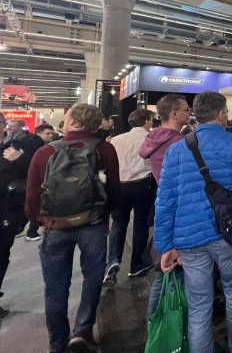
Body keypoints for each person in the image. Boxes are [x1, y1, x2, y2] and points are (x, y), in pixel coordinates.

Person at [155, 91, 232, 353]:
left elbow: (165, 202)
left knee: (199, 304)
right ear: (222, 114)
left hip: (188, 239)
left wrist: (165, 245)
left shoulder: (175, 150)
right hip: (226, 235)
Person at [25, 104, 121, 353]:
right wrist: (102, 213)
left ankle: (57, 343)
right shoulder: (104, 149)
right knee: (93, 278)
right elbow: (114, 190)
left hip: (54, 227)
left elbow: (32, 197)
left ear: (70, 121)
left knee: (55, 287)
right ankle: (82, 331)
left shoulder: (45, 152)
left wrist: (41, 220)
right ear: (96, 124)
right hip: (93, 225)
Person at [139, 94, 189, 316]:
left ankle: (156, 319)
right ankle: (170, 321)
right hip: (179, 210)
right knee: (173, 271)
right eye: (186, 110)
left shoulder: (153, 138)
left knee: (163, 271)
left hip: (163, 204)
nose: (190, 113)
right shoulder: (179, 143)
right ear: (174, 114)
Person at [104, 109, 154, 286]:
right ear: (146, 121)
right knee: (141, 223)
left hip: (120, 185)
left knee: (118, 224)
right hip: (143, 185)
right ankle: (137, 264)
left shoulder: (117, 139)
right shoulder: (150, 139)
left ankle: (113, 260)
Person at [0, 129, 43, 318]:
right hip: (7, 214)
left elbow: (34, 175)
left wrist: (19, 160)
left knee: (2, 255)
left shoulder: (15, 149)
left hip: (7, 214)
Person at [23, 125, 55, 242]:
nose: (50, 136)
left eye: (52, 134)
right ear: (39, 134)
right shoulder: (35, 147)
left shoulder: (48, 146)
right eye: (47, 133)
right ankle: (31, 231)